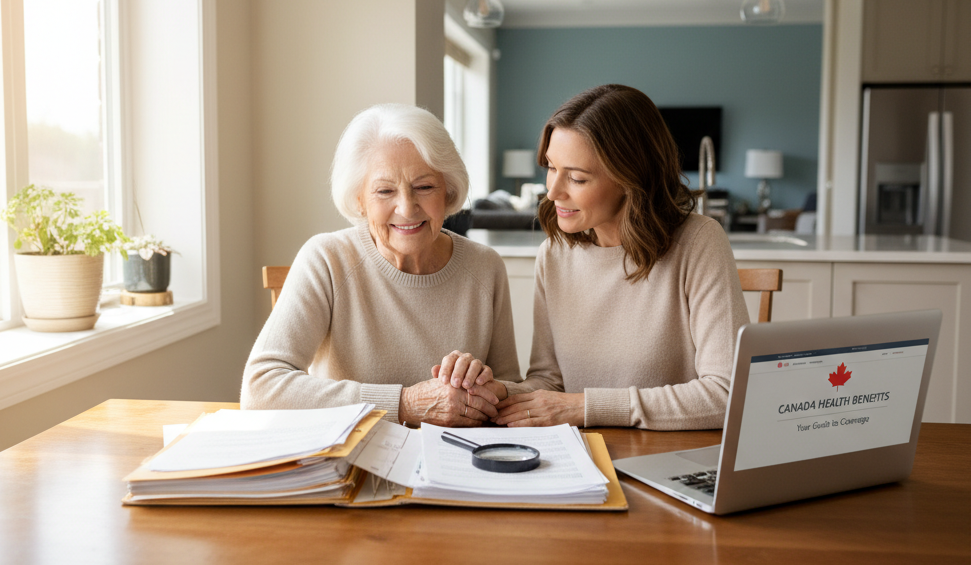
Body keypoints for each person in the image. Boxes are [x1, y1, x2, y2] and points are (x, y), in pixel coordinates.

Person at [482, 84, 750, 430]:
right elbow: (550, 382)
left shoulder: (699, 242)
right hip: (580, 457)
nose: (552, 192)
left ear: (629, 177)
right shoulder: (555, 254)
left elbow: (728, 394)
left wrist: (585, 407)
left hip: (667, 456)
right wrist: (496, 393)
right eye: (550, 167)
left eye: (577, 178)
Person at [241, 103, 519, 426]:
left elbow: (512, 389)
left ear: (448, 189)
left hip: (454, 465)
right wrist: (405, 404)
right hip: (354, 467)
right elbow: (260, 389)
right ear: (359, 199)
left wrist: (484, 386)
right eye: (385, 190)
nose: (406, 207)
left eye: (424, 186)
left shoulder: (486, 268)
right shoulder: (325, 260)